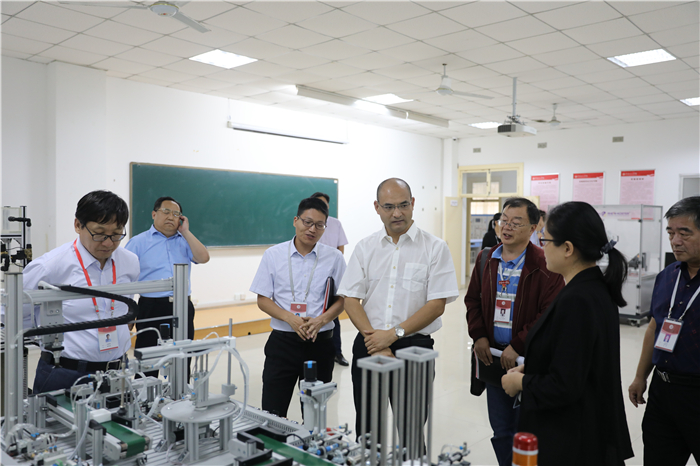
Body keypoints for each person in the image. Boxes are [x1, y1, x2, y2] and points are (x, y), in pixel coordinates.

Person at [501, 201, 634, 466]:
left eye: (545, 240)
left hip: (572, 438)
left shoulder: (577, 300)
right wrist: (534, 366)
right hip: (587, 428)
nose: (542, 248)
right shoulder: (592, 287)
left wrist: (521, 383)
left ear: (568, 248)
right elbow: (577, 359)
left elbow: (565, 385)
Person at [338, 178, 459, 443]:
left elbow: (436, 305)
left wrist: (392, 335)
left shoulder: (434, 247)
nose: (397, 213)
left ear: (413, 203)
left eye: (403, 205)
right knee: (368, 429)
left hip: (414, 347)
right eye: (389, 206)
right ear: (377, 207)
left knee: (411, 430)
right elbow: (351, 299)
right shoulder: (365, 247)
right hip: (369, 344)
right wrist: (376, 342)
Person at [465, 197, 564, 466]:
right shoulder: (486, 258)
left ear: (533, 228)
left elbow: (548, 313)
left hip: (528, 362)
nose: (507, 227)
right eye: (504, 221)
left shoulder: (545, 263)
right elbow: (472, 300)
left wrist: (518, 345)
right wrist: (479, 336)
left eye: (516, 222)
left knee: (528, 431)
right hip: (494, 359)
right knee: (501, 430)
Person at [21, 190, 140, 393]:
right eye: (99, 233)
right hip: (64, 372)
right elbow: (13, 313)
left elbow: (126, 307)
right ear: (78, 225)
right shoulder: (50, 266)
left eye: (116, 234)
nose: (108, 243)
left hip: (118, 370)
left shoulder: (129, 262)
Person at [250, 197, 346, 418]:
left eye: (319, 225)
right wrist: (289, 318)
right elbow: (263, 299)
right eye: (307, 222)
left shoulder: (334, 258)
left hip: (320, 344)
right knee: (273, 412)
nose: (312, 229)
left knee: (315, 415)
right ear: (296, 220)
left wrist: (321, 320)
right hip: (282, 344)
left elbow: (343, 299)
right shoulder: (274, 255)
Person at [628, 196, 700, 465]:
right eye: (671, 233)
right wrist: (640, 376)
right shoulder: (668, 275)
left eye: (685, 233)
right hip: (663, 390)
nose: (675, 241)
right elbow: (655, 327)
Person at [125, 196, 210, 379]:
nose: (171, 217)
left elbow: (203, 258)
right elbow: (126, 279)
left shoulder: (185, 241)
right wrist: (129, 312)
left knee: (183, 357)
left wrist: (186, 232)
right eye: (166, 212)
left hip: (182, 305)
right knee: (147, 360)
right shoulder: (138, 242)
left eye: (176, 214)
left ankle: (181, 393)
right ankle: (144, 395)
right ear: (154, 214)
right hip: (151, 307)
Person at [311, 192, 350, 367]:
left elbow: (340, 247)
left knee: (333, 314)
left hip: (331, 276)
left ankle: (337, 353)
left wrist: (335, 267)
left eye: (325, 205)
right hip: (312, 274)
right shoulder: (309, 223)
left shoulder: (335, 223)